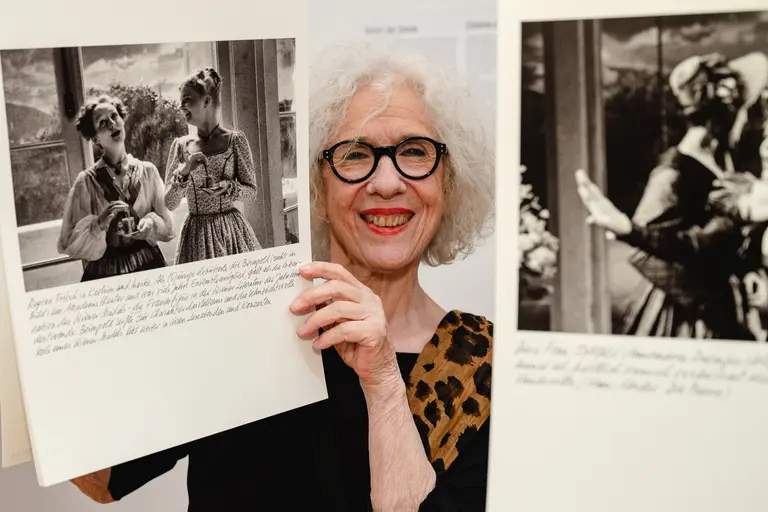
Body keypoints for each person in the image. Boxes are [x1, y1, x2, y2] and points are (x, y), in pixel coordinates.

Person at [70, 43, 495, 511]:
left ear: (449, 181)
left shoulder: (482, 363)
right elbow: (102, 477)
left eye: (415, 152)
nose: (387, 182)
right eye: (354, 155)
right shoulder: (240, 325)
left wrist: (384, 383)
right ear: (316, 184)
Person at [575, 52, 768, 340]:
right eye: (746, 110)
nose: (750, 120)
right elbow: (648, 255)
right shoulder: (673, 171)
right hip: (686, 313)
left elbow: (724, 236)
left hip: (725, 301)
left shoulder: (723, 160)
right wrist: (705, 301)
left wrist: (745, 270)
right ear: (727, 113)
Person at [57, 94, 173, 281]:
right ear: (95, 139)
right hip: (104, 274)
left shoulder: (148, 172)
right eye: (102, 123)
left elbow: (167, 226)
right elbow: (70, 242)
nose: (112, 124)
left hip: (149, 266)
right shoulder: (86, 182)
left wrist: (150, 225)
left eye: (114, 116)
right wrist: (99, 223)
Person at [164, 67, 262, 263]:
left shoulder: (235, 141)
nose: (181, 107)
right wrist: (184, 171)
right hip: (195, 236)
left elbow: (251, 192)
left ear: (206, 101)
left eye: (187, 100)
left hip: (232, 234)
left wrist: (229, 187)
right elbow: (170, 203)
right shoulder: (181, 146)